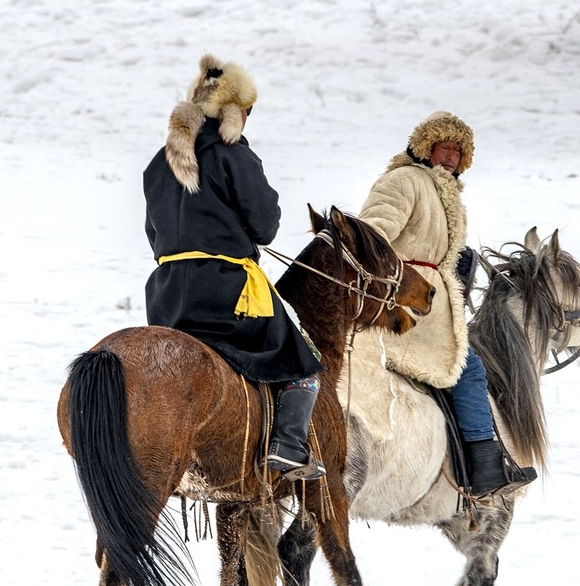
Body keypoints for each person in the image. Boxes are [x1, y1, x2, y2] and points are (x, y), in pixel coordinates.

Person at [142, 54, 324, 480]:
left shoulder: (157, 163)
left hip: (167, 297)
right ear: (231, 111)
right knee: (303, 362)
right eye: (247, 110)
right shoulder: (234, 155)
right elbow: (266, 226)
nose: (248, 119)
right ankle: (287, 447)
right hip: (227, 294)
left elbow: (154, 235)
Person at [357, 111, 535, 497]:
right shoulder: (406, 181)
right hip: (402, 307)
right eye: (445, 147)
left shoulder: (439, 192)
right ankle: (484, 465)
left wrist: (454, 263)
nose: (452, 156)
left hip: (428, 303)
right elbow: (370, 237)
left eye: (459, 151)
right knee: (469, 368)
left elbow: (425, 244)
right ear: (426, 147)